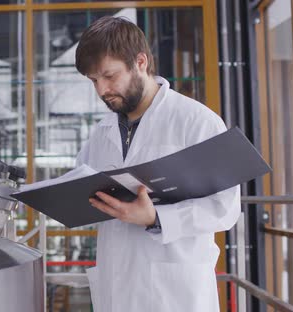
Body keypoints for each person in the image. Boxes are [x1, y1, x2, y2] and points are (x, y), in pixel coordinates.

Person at [74, 16, 241, 312]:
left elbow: (225, 207)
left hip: (174, 294)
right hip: (117, 286)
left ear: (140, 62)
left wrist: (156, 218)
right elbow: (81, 183)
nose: (101, 90)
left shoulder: (198, 121)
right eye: (93, 81)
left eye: (109, 76)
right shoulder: (102, 132)